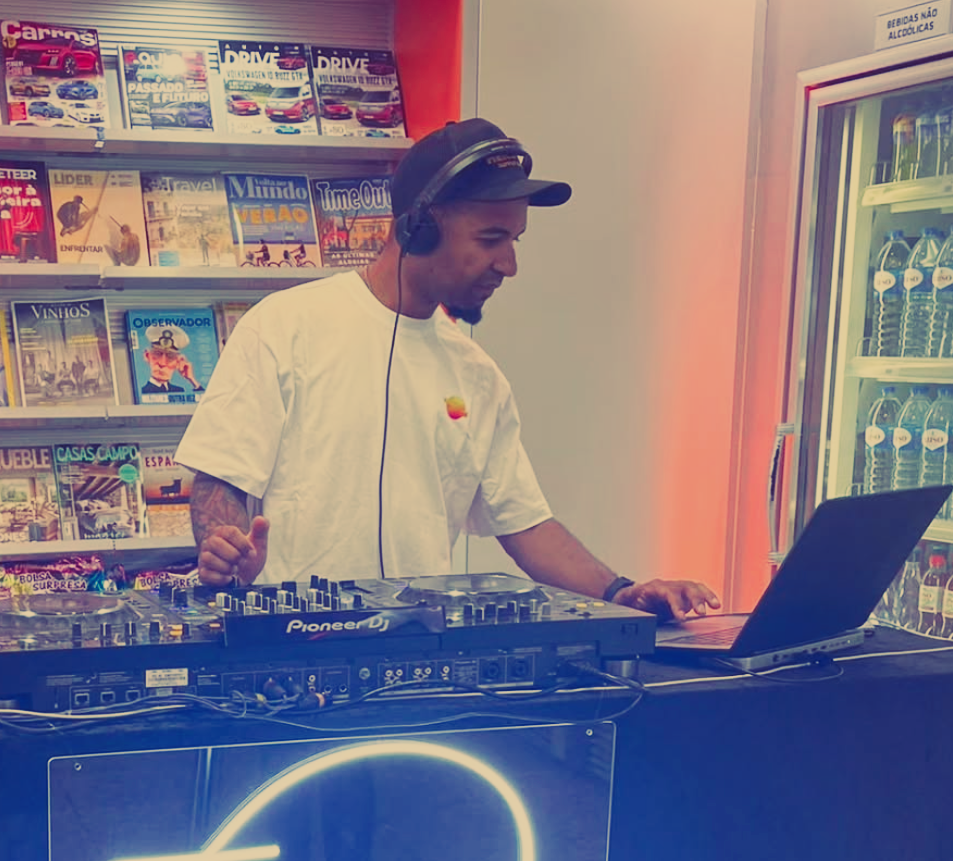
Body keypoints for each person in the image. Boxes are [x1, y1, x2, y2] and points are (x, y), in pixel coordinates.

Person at [181, 117, 720, 620]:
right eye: (491, 239)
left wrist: (622, 592)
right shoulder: (283, 327)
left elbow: (525, 523)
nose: (509, 265)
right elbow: (220, 479)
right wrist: (225, 550)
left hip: (419, 654)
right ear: (420, 228)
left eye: (514, 241)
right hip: (294, 647)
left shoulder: (477, 375)